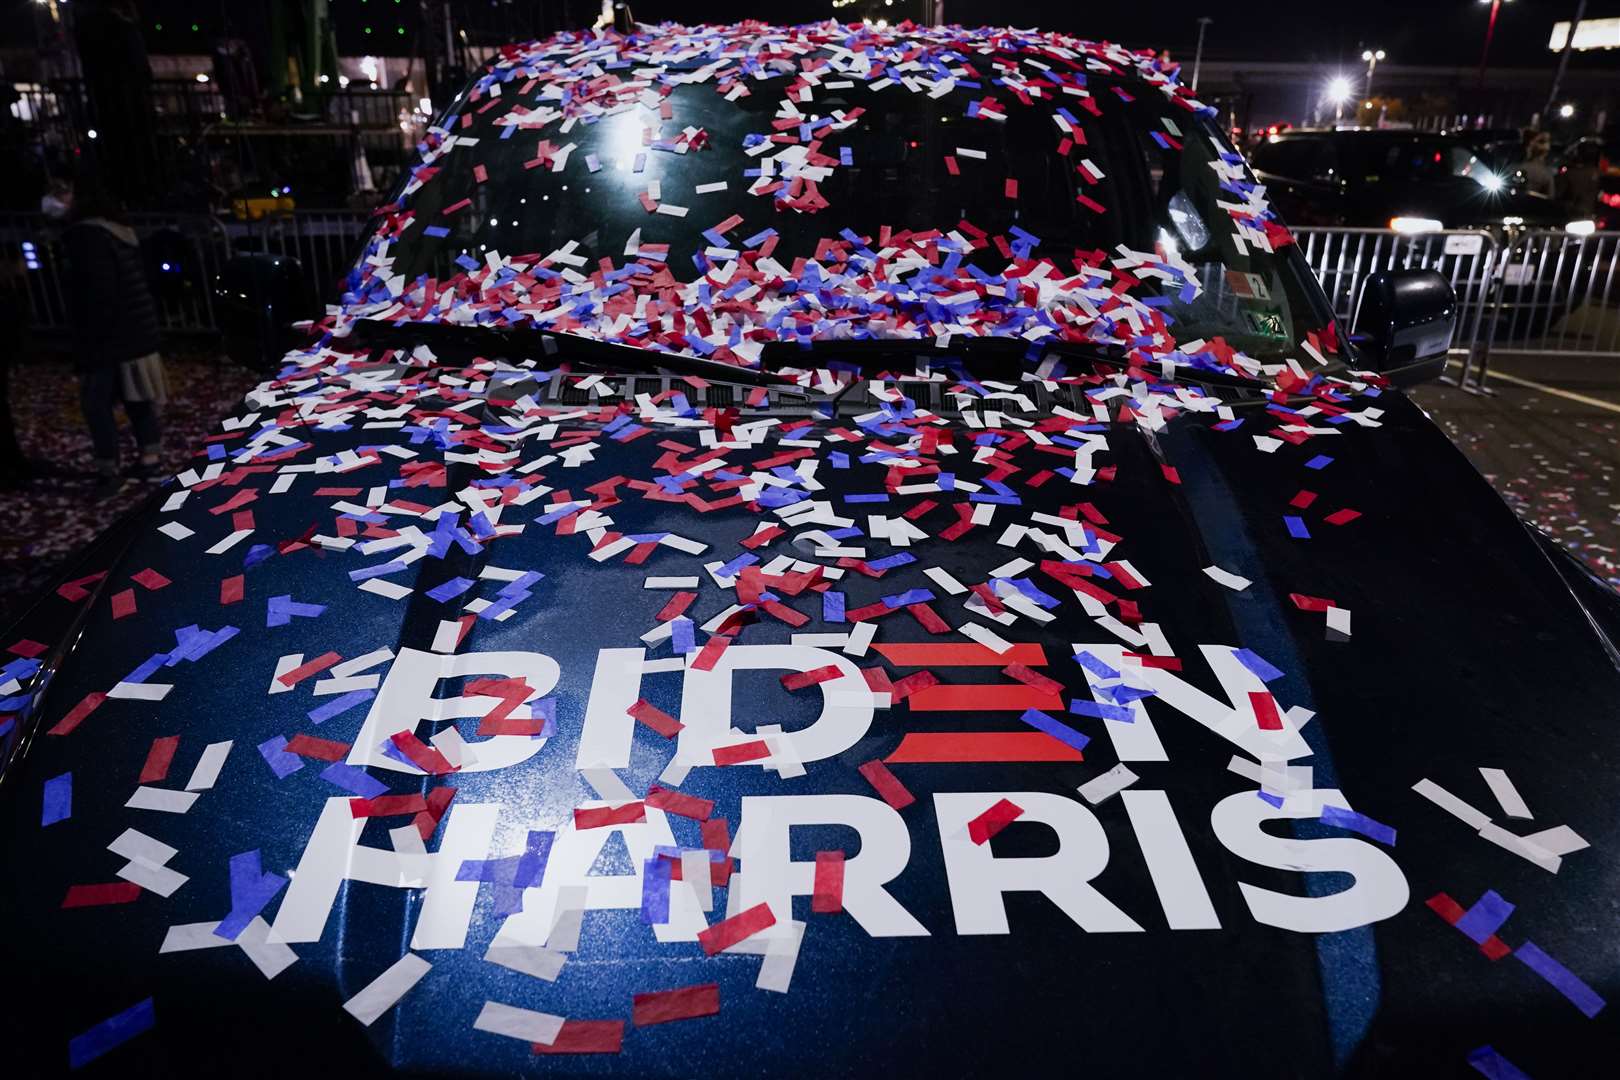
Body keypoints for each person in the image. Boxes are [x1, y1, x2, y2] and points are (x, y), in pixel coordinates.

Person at [62, 177, 166, 497]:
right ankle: (150, 458)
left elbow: (97, 291)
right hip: (135, 329)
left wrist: (89, 339)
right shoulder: (119, 230)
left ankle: (109, 472)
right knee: (136, 398)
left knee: (96, 403)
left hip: (108, 335)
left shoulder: (87, 236)